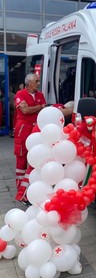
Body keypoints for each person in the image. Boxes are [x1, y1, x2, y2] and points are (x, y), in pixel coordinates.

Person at [14, 73, 46, 203]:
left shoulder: (40, 95)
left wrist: (31, 108)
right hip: (23, 129)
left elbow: (42, 109)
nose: (38, 84)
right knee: (21, 160)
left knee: (35, 158)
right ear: (29, 83)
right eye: (36, 81)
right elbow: (24, 111)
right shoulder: (20, 94)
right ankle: (21, 193)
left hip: (36, 129)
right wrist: (38, 107)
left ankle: (32, 189)